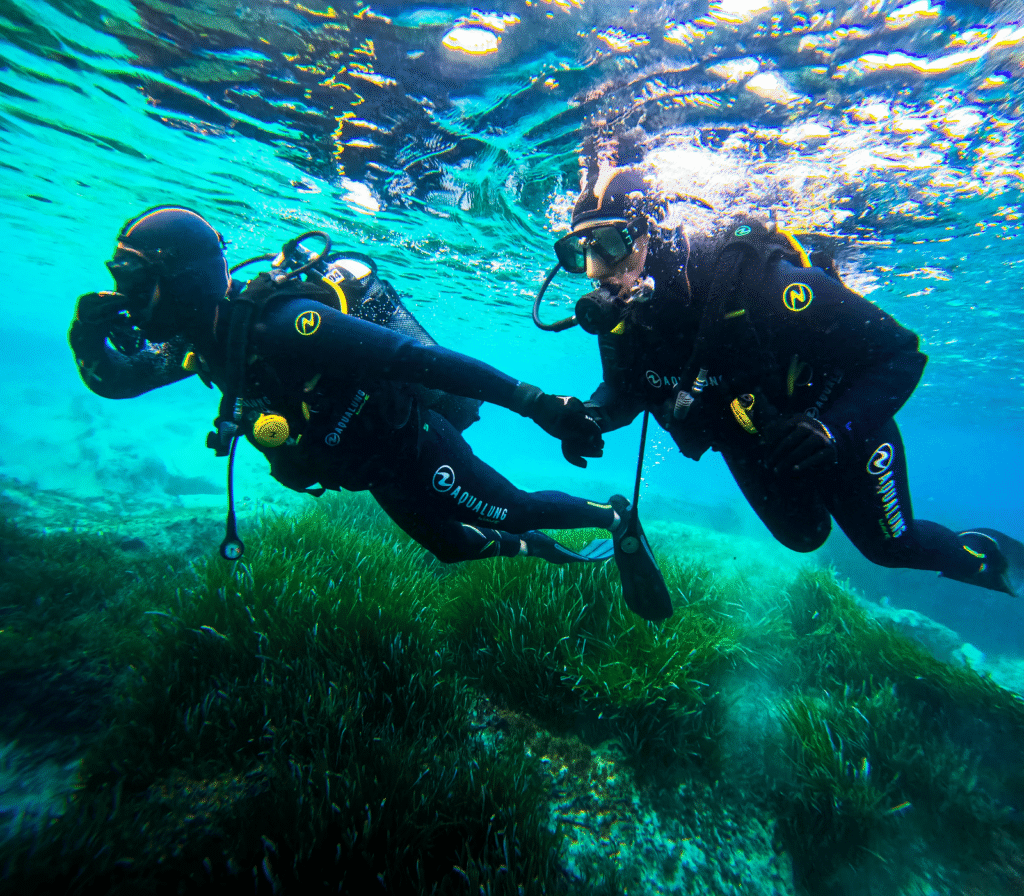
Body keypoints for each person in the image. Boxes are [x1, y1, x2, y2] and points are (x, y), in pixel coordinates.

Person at [68, 205, 670, 616]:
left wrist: (540, 405)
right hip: (372, 472)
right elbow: (121, 381)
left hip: (412, 446)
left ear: (178, 282)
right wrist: (87, 339)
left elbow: (419, 362)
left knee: (513, 508)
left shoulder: (285, 326)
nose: (125, 297)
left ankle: (614, 517)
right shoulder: (203, 346)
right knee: (453, 548)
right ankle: (534, 546)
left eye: (133, 278)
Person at [538, 162, 1024, 598]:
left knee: (890, 549)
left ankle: (983, 557)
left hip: (837, 421)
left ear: (654, 234)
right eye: (580, 253)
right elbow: (627, 389)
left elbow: (900, 354)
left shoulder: (758, 286)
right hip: (754, 436)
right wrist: (593, 416)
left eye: (611, 245)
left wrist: (833, 429)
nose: (598, 272)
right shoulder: (625, 317)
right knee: (803, 535)